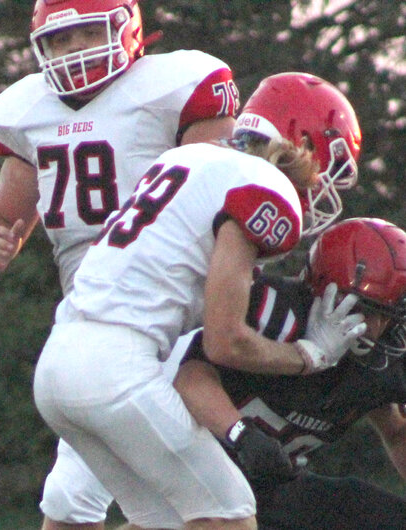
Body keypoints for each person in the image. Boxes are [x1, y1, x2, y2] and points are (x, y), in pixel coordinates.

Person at [32, 71, 362, 529]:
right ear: (305, 141)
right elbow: (225, 341)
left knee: (163, 522)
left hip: (58, 363)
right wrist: (309, 355)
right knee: (232, 516)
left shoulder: (187, 157)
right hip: (118, 367)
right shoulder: (264, 186)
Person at [0, 0, 241, 527]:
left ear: (127, 28)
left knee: (99, 495)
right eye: (59, 40)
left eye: (86, 33)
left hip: (169, 310)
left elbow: (222, 196)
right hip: (92, 313)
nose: (74, 50)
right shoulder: (30, 111)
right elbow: (2, 212)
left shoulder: (170, 85)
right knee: (126, 500)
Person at [171, 217, 406, 530]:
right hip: (190, 468)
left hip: (272, 487)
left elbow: (395, 430)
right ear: (325, 291)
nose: (375, 328)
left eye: (389, 315)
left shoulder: (384, 359)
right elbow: (191, 376)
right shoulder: (275, 311)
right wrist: (240, 433)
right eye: (369, 308)